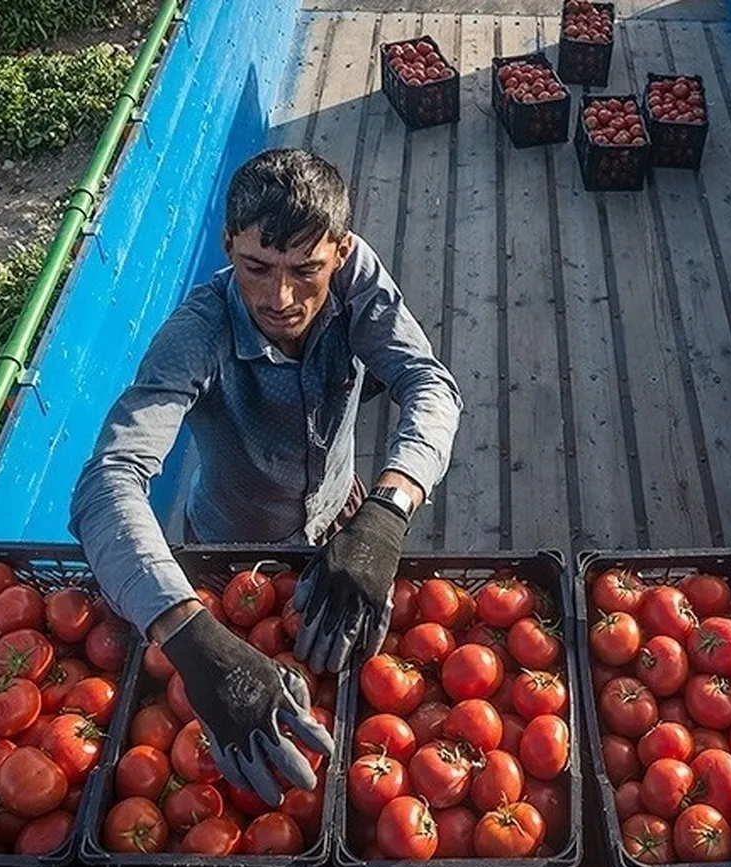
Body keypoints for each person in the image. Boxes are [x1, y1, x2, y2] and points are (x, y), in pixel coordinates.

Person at [69, 148, 462, 804]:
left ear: (340, 252)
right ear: (228, 246)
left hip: (344, 527)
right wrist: (190, 634)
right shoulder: (196, 335)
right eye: (256, 267)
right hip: (231, 556)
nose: (281, 298)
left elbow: (429, 383)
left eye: (306, 270)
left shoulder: (357, 280)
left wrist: (388, 510)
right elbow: (107, 480)